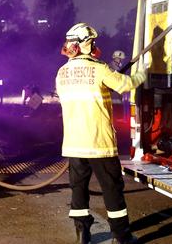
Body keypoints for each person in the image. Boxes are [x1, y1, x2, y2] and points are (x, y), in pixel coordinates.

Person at [56, 23, 146, 244]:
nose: (94, 45)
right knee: (112, 189)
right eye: (90, 42)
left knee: (79, 190)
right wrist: (144, 73)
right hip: (99, 143)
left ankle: (82, 235)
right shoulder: (99, 68)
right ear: (83, 45)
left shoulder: (62, 72)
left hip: (74, 144)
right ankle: (122, 237)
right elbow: (126, 85)